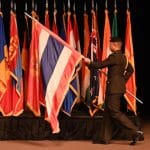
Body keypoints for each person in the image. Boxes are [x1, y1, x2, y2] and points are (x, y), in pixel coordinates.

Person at [83, 37, 144, 145]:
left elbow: (99, 65)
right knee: (107, 113)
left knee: (114, 112)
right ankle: (104, 138)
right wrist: (121, 80)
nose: (109, 46)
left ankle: (136, 131)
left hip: (113, 89)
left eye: (110, 44)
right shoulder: (124, 58)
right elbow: (131, 70)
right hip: (117, 88)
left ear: (115, 45)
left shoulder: (113, 57)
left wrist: (89, 62)